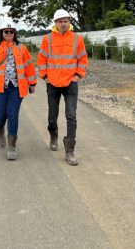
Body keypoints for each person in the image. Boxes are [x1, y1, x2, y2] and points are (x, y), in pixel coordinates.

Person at [0, 21, 37, 160]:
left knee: (13, 114)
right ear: (2, 33)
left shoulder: (22, 48)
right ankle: (0, 130)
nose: (9, 34)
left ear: (14, 33)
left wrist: (32, 82)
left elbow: (29, 66)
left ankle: (11, 146)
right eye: (6, 32)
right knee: (0, 116)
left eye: (11, 32)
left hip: (16, 87)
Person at [37, 9, 88, 165]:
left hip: (70, 83)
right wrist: (45, 76)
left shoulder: (77, 39)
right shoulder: (47, 39)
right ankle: (53, 136)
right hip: (52, 83)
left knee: (71, 116)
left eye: (66, 21)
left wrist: (78, 76)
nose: (63, 23)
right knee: (52, 116)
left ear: (69, 22)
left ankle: (70, 151)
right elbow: (41, 59)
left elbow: (82, 59)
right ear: (55, 23)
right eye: (60, 21)